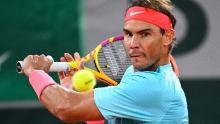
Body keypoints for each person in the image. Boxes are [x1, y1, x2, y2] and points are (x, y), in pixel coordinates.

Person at [21, 0, 188, 123]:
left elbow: (65, 108)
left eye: (144, 34)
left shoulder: (151, 86)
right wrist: (76, 93)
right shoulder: (136, 72)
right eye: (129, 34)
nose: (133, 44)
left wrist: (35, 72)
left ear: (167, 37)